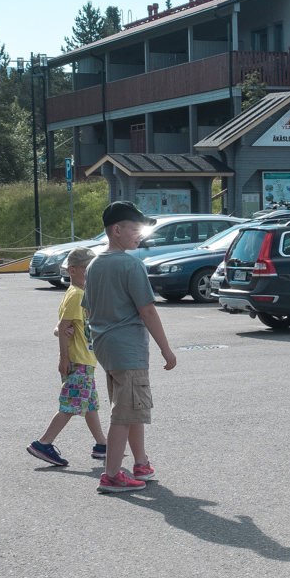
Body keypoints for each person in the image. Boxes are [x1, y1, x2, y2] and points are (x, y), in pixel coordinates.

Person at [84, 201, 178, 494]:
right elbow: (147, 310)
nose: (140, 235)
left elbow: (89, 307)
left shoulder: (94, 263)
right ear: (117, 230)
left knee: (132, 406)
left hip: (106, 346)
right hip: (128, 348)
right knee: (125, 412)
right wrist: (166, 349)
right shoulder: (130, 264)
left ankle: (141, 463)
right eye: (135, 229)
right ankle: (112, 475)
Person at [27, 246, 107, 468]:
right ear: (73, 270)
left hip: (86, 360)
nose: (92, 273)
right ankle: (43, 443)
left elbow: (63, 326)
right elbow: (63, 326)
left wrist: (60, 331)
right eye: (87, 268)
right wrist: (64, 358)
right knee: (71, 405)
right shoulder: (76, 295)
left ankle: (102, 444)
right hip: (77, 361)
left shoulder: (81, 293)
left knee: (90, 404)